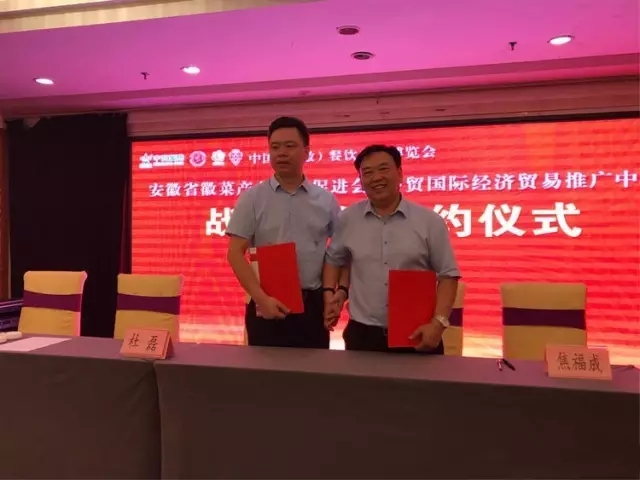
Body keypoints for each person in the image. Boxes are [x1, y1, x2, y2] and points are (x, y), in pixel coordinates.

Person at [323, 144, 461, 353]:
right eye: (367, 173)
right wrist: (332, 294)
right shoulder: (348, 219)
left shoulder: (429, 222)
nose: (376, 177)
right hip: (363, 335)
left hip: (416, 332)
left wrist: (439, 323)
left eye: (383, 169)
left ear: (400, 173)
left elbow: (448, 275)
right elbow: (334, 259)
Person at [226, 116, 347, 349]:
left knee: (313, 369)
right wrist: (261, 299)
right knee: (264, 371)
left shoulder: (325, 200)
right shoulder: (252, 198)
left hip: (312, 305)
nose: (281, 153)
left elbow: (339, 254)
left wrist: (333, 294)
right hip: (266, 301)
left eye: (290, 146)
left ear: (307, 152)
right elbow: (234, 253)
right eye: (275, 147)